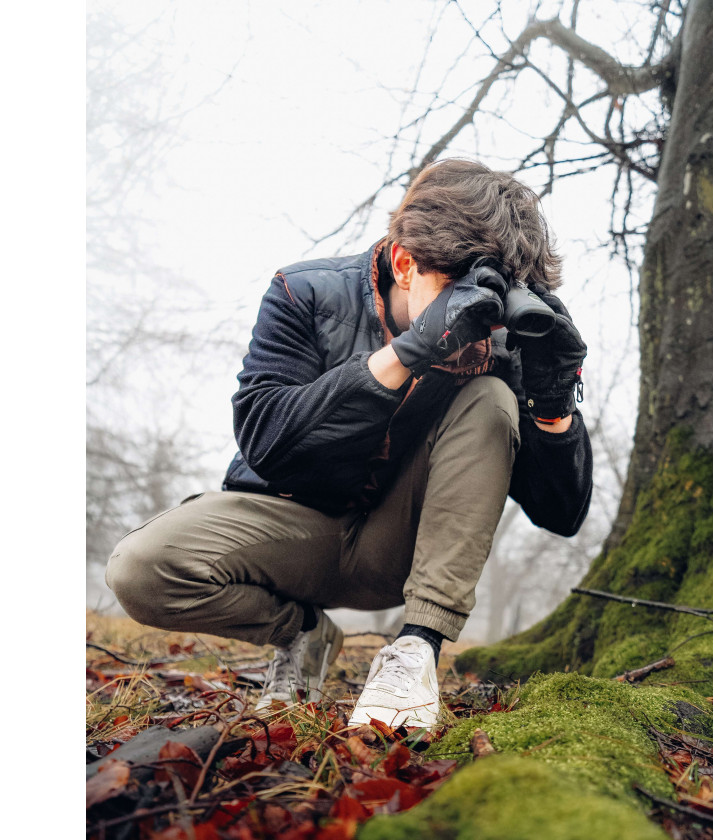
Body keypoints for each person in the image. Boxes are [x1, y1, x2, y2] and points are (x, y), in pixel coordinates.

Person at [105, 159, 593, 729]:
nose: (482, 321)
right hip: (289, 529)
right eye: (463, 291)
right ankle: (305, 635)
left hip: (400, 553)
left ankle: (417, 652)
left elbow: (562, 516)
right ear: (406, 263)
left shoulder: (506, 344)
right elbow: (267, 440)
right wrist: (411, 349)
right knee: (140, 568)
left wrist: (554, 405)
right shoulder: (304, 291)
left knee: (489, 397)